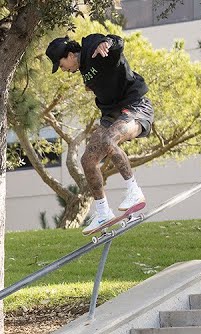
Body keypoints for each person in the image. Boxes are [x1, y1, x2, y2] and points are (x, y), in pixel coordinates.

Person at [45, 32, 154, 235]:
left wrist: (107, 44)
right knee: (87, 160)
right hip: (112, 115)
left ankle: (134, 191)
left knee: (109, 139)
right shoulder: (84, 69)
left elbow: (115, 42)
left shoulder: (91, 48)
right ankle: (103, 211)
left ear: (68, 54)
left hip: (136, 107)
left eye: (61, 65)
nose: (64, 71)